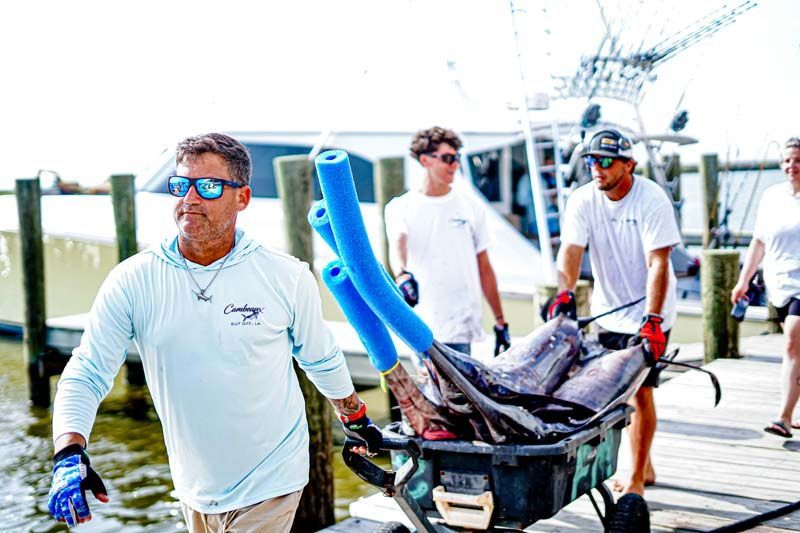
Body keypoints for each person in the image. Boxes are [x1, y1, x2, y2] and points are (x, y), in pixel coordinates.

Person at [47, 133, 381, 531]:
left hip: (271, 479)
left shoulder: (286, 275)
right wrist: (68, 453)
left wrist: (356, 417)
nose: (190, 197)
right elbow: (87, 370)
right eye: (181, 184)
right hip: (193, 486)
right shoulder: (132, 279)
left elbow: (320, 358)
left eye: (207, 186)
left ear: (242, 198)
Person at [550, 129, 679, 496]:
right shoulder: (582, 200)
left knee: (640, 393)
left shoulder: (651, 199)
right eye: (591, 161)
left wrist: (652, 320)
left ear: (629, 165)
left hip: (651, 314)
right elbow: (572, 251)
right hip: (608, 312)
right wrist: (564, 294)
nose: (597, 168)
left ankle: (636, 479)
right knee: (612, 395)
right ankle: (644, 462)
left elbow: (659, 263)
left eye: (606, 162)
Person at [384, 126, 510, 357]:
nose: (455, 165)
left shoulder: (471, 207)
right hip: (423, 327)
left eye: (457, 158)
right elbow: (397, 244)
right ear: (425, 160)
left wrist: (501, 322)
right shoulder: (399, 207)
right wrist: (402, 275)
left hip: (461, 327)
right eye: (448, 158)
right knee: (432, 394)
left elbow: (484, 267)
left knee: (456, 394)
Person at [732, 137, 800, 438]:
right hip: (779, 284)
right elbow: (758, 242)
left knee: (792, 344)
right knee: (796, 348)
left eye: (797, 160)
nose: (791, 166)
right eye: (786, 161)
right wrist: (743, 280)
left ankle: (783, 417)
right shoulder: (772, 196)